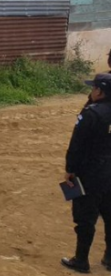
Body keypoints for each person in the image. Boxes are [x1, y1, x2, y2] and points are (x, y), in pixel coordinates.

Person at [61, 73, 111, 273]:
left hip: (90, 173)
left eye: (93, 89)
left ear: (99, 91)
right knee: (110, 214)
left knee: (85, 217)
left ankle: (81, 260)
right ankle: (109, 256)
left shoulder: (91, 113)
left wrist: (70, 170)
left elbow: (77, 145)